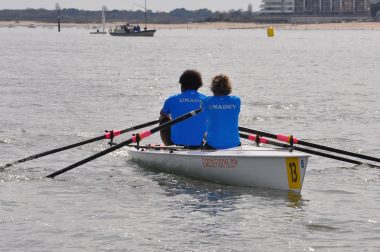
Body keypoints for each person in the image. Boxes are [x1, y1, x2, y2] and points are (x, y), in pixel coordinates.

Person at [160, 70, 207, 147]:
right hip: (201, 143)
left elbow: (162, 113)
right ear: (198, 86)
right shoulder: (206, 100)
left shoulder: (172, 99)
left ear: (182, 85)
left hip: (177, 144)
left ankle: (168, 146)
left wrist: (170, 116)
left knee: (163, 119)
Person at [202, 74, 241, 149]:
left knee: (204, 134)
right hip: (234, 144)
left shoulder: (206, 101)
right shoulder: (236, 100)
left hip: (212, 145)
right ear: (228, 87)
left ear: (213, 88)